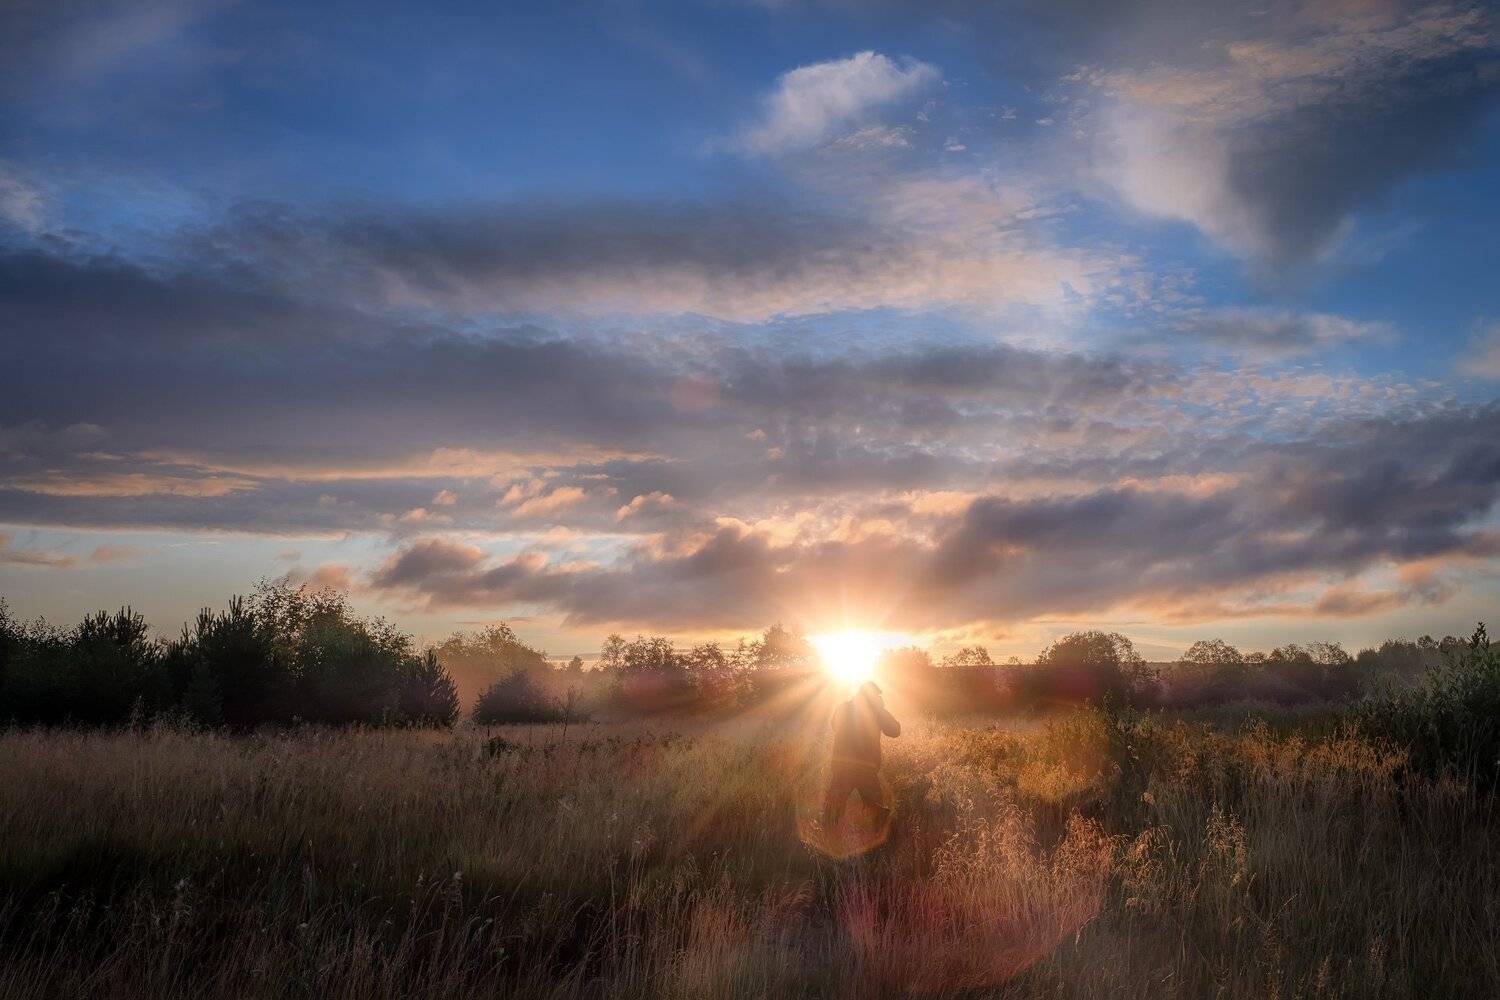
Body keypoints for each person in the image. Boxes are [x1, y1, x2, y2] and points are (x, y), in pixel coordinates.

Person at [822, 680, 901, 829]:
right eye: (877, 695)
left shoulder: (843, 708)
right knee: (877, 810)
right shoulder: (876, 712)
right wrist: (880, 710)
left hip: (842, 768)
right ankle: (880, 844)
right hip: (866, 769)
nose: (879, 698)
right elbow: (895, 731)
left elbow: (834, 726)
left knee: (832, 811)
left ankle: (827, 839)